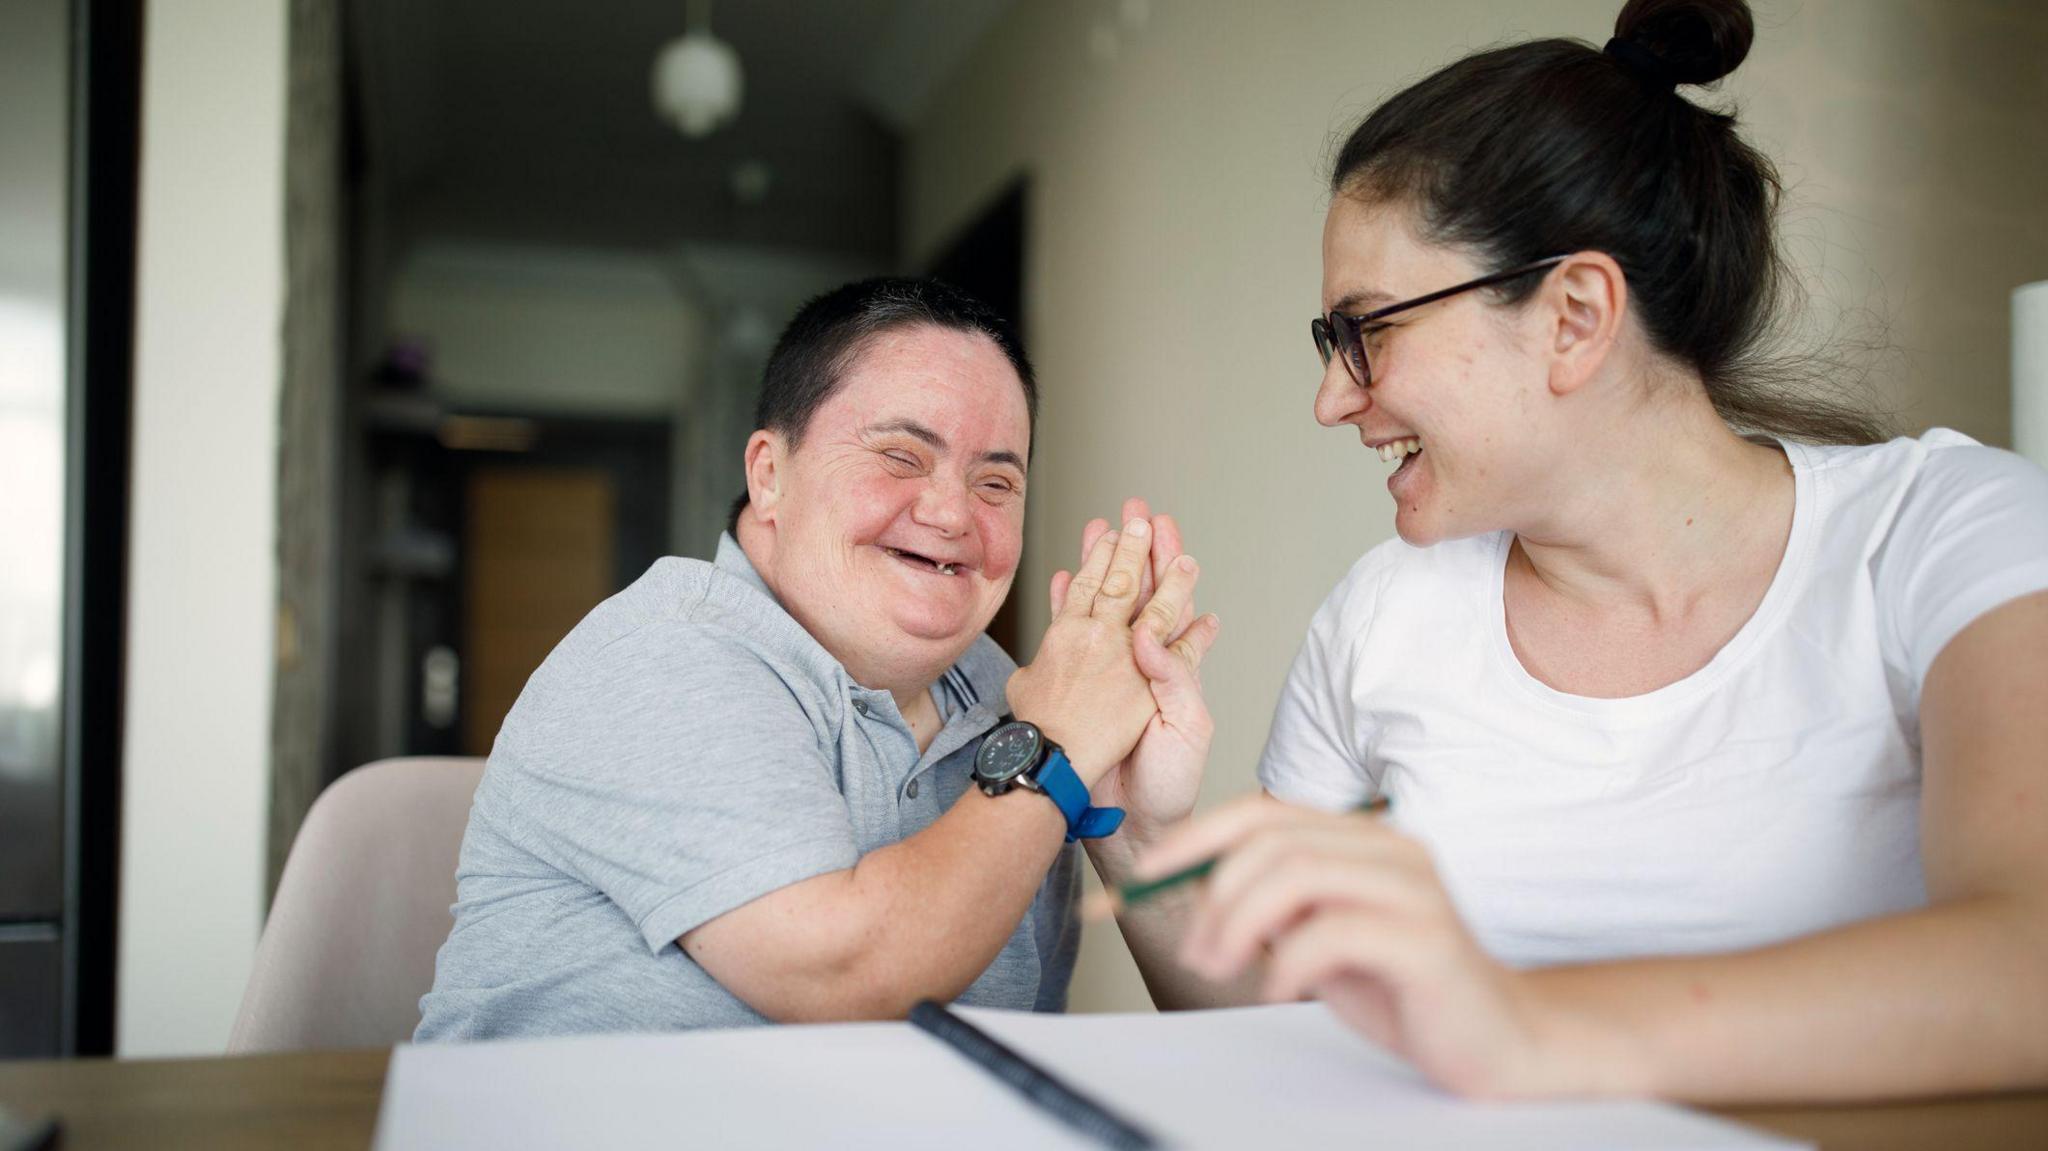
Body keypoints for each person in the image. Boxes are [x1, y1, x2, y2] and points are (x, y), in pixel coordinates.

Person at [1091, 0, 2048, 1103]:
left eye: (1368, 330)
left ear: (1574, 314)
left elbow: (2027, 964)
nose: (1328, 398)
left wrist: (1525, 1025)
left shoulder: (1947, 532)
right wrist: (1133, 832)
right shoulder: (1377, 619)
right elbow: (1281, 1035)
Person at [415, 277, 1218, 1040]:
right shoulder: (665, 652)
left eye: (997, 483)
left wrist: (1131, 829)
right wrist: (1054, 749)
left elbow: (1023, 1055)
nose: (950, 513)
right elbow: (849, 976)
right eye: (901, 456)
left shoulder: (1013, 700)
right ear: (769, 475)